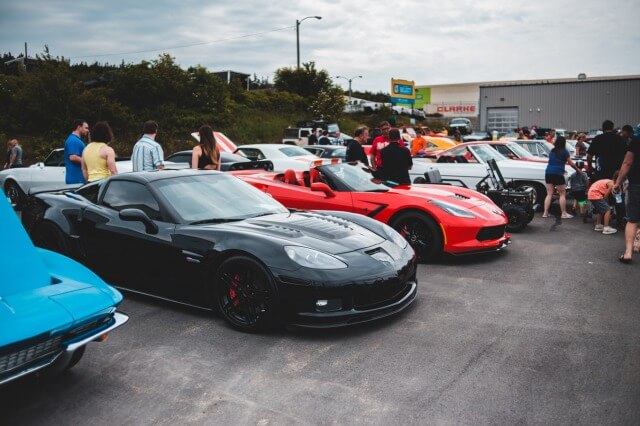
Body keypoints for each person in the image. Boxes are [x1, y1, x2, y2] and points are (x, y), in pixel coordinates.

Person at [613, 133, 640, 263]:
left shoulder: (636, 140)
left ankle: (628, 253)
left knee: (632, 219)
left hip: (637, 184)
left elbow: (627, 162)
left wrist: (618, 182)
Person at [542, 136, 582, 219]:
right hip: (558, 174)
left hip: (548, 172)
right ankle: (563, 213)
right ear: (564, 143)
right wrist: (578, 170)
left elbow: (554, 162)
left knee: (549, 194)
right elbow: (571, 163)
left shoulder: (552, 151)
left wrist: (562, 169)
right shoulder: (564, 152)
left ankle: (545, 213)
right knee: (562, 194)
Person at [64, 119, 89, 184]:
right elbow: (73, 157)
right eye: (86, 128)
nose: (87, 130)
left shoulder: (76, 140)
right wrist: (89, 162)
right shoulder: (73, 140)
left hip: (79, 179)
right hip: (76, 180)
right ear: (79, 127)